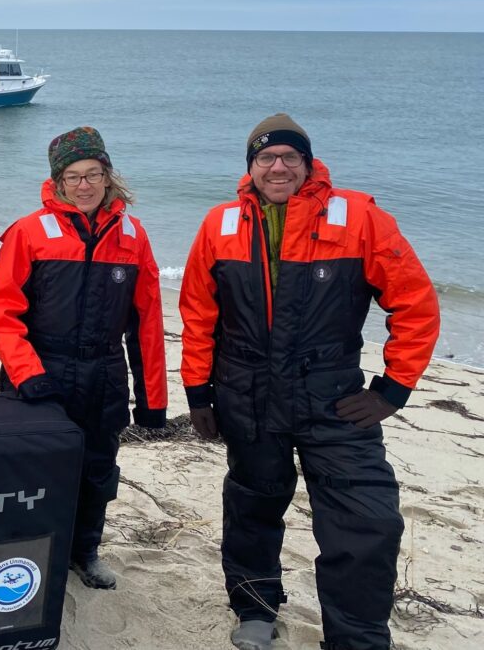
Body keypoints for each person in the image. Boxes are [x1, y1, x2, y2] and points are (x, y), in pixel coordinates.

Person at [178, 114, 440, 650]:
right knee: (252, 504)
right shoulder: (219, 224)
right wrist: (198, 391)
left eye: (289, 157)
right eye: (265, 158)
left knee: (369, 522)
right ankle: (254, 608)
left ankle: (357, 638)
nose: (278, 167)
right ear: (250, 168)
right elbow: (198, 315)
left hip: (334, 397)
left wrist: (392, 389)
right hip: (246, 392)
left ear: (307, 164)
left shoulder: (361, 219)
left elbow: (415, 303)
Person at [0, 126, 167, 591]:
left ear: (108, 177)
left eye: (93, 174)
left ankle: (85, 550)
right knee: (33, 470)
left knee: (98, 468)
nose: (84, 185)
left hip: (104, 373)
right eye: (73, 176)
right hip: (42, 372)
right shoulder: (29, 232)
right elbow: (0, 310)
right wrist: (27, 374)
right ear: (58, 183)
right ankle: (29, 552)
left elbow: (146, 321)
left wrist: (153, 400)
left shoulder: (132, 236)